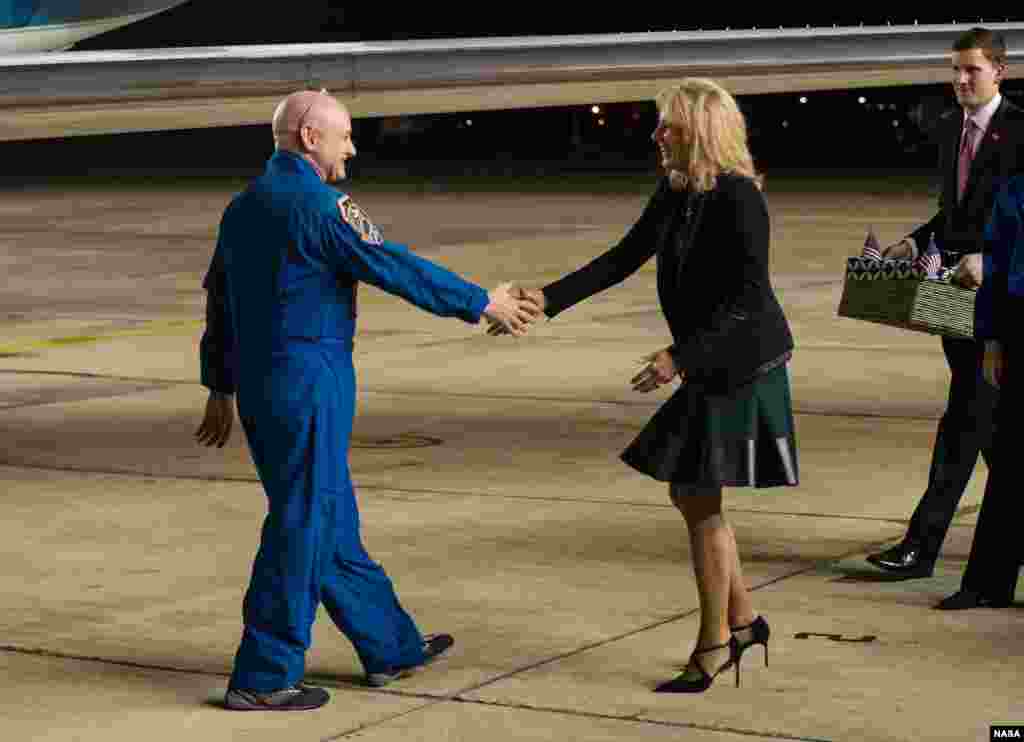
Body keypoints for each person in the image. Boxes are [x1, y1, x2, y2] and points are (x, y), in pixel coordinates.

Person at [195, 89, 540, 711]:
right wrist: (479, 301)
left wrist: (219, 384)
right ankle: (265, 674)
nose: (351, 147)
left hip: (261, 388)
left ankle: (391, 648)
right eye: (345, 135)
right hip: (311, 381)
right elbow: (391, 265)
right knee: (303, 520)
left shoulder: (242, 207)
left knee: (328, 518)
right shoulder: (322, 207)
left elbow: (219, 300)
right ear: (308, 136)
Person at [493, 78, 797, 693]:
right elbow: (622, 256)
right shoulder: (679, 191)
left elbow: (749, 304)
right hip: (709, 361)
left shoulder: (740, 199)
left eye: (670, 127)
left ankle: (714, 642)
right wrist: (547, 298)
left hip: (743, 362)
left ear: (702, 133)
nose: (657, 135)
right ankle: (742, 622)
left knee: (698, 497)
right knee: (691, 496)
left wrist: (679, 357)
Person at [866, 27, 1024, 580]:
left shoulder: (1021, 133)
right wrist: (917, 239)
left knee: (965, 419)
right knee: (993, 431)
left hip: (1001, 306)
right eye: (955, 69)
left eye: (971, 70)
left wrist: (992, 260)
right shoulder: (949, 130)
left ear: (999, 70)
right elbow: (955, 217)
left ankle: (921, 544)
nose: (960, 80)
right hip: (953, 302)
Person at [934, 175, 1024, 609]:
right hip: (1017, 330)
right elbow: (1000, 265)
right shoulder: (1015, 189)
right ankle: (989, 582)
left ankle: (989, 581)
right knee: (1009, 461)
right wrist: (990, 341)